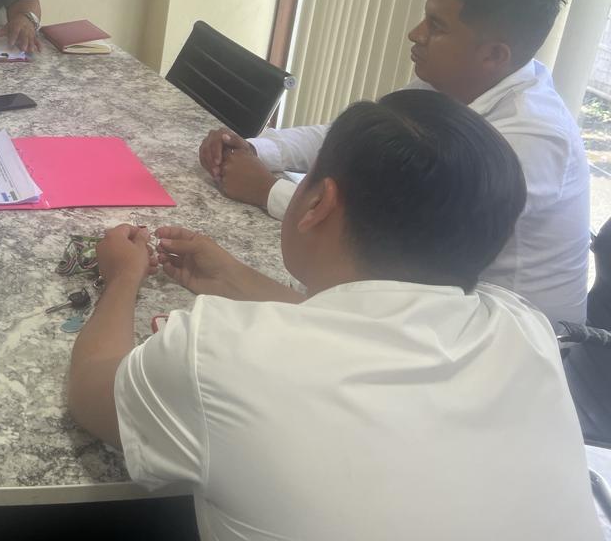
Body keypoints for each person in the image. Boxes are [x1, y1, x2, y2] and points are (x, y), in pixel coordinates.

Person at [68, 90, 601, 541]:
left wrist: (123, 277)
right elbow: (380, 334)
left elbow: (90, 389)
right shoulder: (524, 327)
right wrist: (236, 279)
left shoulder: (217, 356)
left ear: (318, 202)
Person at [200, 0, 589, 326]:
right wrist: (258, 149)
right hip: (433, 300)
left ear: (493, 55)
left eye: (436, 26)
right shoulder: (454, 79)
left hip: (499, 334)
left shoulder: (532, 137)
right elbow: (358, 140)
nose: (415, 34)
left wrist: (267, 190)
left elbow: (401, 234)